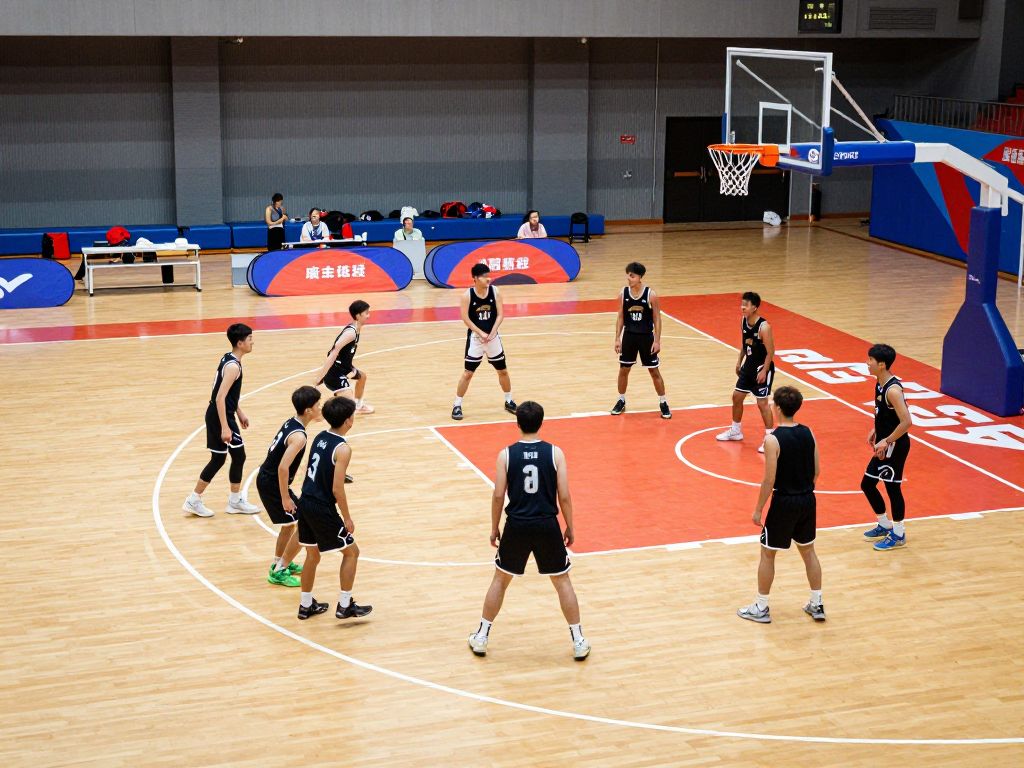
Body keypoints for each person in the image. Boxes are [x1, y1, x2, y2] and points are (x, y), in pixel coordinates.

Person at [467, 401, 590, 660]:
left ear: (518, 424)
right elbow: (564, 496)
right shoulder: (556, 453)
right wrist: (570, 525)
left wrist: (494, 527)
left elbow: (499, 495)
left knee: (500, 579)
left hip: (517, 525)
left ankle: (481, 636)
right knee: (562, 581)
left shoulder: (506, 455)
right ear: (541, 423)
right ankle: (579, 640)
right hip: (547, 524)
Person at [737, 386, 824, 624]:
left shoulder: (772, 439)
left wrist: (758, 509)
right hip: (807, 499)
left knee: (768, 554)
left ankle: (761, 607)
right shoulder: (809, 433)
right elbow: (817, 470)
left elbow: (769, 480)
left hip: (784, 501)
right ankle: (817, 603)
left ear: (776, 407)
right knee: (808, 552)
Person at [295, 396, 373, 621]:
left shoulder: (320, 436)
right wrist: (347, 518)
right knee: (351, 552)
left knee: (312, 554)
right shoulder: (343, 449)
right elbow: (338, 489)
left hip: (306, 500)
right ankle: (345, 605)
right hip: (321, 506)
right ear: (349, 421)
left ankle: (305, 605)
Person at [183, 323, 260, 518]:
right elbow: (219, 397)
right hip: (220, 416)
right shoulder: (234, 366)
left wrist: (239, 411)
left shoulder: (229, 358)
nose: (253, 342)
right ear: (240, 343)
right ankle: (196, 499)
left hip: (223, 413)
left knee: (229, 457)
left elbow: (225, 394)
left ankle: (231, 501)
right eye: (250, 339)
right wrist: (225, 426)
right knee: (226, 457)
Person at [256, 386, 323, 588]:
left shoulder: (292, 422)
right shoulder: (299, 437)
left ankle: (279, 562)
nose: (320, 408)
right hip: (273, 483)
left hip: (269, 480)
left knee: (290, 524)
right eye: (318, 405)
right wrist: (285, 497)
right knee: (304, 523)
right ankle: (279, 571)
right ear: (309, 410)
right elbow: (283, 467)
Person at [860, 344, 913, 551]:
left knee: (893, 489)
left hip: (895, 446)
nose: (867, 363)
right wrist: (876, 428)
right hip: (885, 443)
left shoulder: (893, 390)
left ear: (881, 365)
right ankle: (884, 524)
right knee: (867, 484)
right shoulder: (879, 383)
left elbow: (906, 422)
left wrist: (887, 440)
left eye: (870, 360)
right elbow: (884, 415)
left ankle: (899, 533)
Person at [452, 263, 516, 420]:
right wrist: (480, 332)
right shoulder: (467, 295)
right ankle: (457, 404)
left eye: (489, 275)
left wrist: (492, 332)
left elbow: (500, 314)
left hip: (493, 338)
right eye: (484, 276)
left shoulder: (495, 292)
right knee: (468, 373)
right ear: (475, 278)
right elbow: (465, 318)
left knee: (503, 371)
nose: (488, 279)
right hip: (476, 338)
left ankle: (508, 400)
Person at [717, 291, 776, 453]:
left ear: (755, 307)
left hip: (761, 367)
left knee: (762, 403)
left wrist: (764, 370)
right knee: (737, 397)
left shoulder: (764, 327)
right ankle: (736, 431)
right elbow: (744, 344)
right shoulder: (743, 321)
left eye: (746, 305)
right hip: (748, 366)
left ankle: (770, 439)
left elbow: (771, 352)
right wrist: (739, 362)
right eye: (742, 304)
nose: (742, 307)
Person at [611, 262, 671, 419]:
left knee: (654, 371)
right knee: (624, 369)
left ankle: (663, 402)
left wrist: (657, 340)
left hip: (646, 337)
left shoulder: (651, 294)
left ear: (640, 278)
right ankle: (621, 400)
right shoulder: (623, 293)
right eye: (628, 275)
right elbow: (620, 317)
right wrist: (617, 338)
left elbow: (657, 318)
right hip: (629, 336)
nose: (628, 278)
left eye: (632, 276)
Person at [313, 300, 375, 415]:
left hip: (345, 368)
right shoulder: (350, 333)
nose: (368, 315)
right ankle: (328, 407)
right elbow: (333, 353)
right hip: (335, 372)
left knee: (362, 377)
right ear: (358, 315)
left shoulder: (357, 328)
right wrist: (320, 376)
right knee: (348, 409)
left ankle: (359, 405)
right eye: (366, 313)